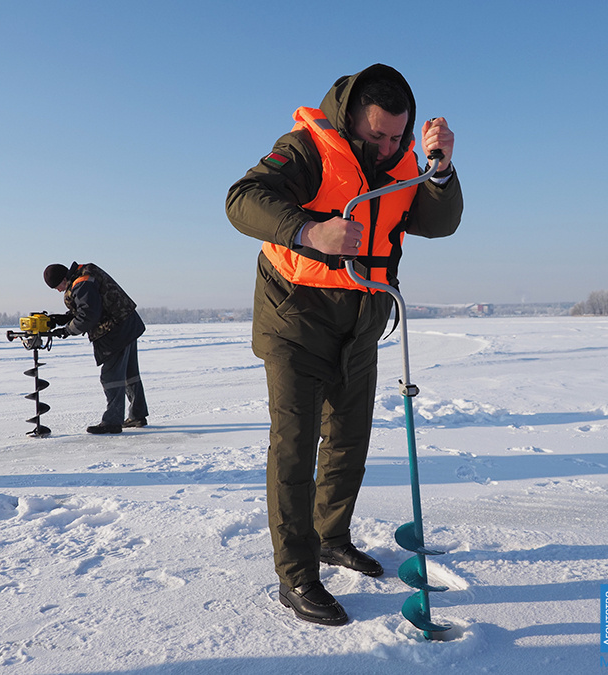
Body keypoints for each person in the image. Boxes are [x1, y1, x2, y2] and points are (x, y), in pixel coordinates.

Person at [226, 64, 463, 625]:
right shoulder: (306, 149)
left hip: (361, 318)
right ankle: (298, 575)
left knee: (349, 438)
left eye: (395, 137)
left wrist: (442, 170)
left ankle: (331, 537)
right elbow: (242, 199)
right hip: (295, 317)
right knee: (294, 447)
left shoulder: (404, 160)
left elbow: (439, 222)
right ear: (350, 116)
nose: (385, 148)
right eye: (375, 135)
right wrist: (311, 231)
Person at [43, 262, 149, 434]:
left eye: (58, 287)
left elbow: (89, 316)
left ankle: (112, 422)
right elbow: (92, 306)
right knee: (130, 374)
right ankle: (137, 415)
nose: (59, 291)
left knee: (111, 376)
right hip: (128, 324)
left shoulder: (82, 283)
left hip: (115, 331)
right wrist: (62, 319)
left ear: (64, 278)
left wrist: (67, 330)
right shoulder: (84, 274)